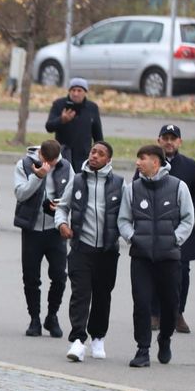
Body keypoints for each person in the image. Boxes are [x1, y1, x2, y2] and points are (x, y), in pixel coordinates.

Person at [118, 144, 195, 368]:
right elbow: (123, 220)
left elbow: (188, 218)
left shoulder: (178, 187)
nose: (137, 163)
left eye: (142, 158)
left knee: (170, 305)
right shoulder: (132, 189)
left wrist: (174, 239)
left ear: (156, 161)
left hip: (169, 258)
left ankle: (165, 339)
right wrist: (133, 237)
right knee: (141, 304)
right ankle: (143, 349)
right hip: (141, 258)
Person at [55, 141, 122, 362]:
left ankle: (98, 338)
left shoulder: (119, 184)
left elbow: (126, 215)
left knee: (102, 295)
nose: (95, 156)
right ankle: (77, 340)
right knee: (80, 294)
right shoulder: (77, 180)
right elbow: (63, 207)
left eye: (101, 154)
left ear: (108, 160)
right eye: (93, 151)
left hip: (107, 250)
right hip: (80, 247)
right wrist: (62, 224)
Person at [13, 139, 72, 338]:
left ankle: (52, 315)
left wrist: (61, 206)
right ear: (40, 156)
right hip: (32, 229)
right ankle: (34, 318)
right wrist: (37, 178)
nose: (51, 165)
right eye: (48, 161)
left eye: (54, 162)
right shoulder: (24, 165)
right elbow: (20, 195)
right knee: (31, 277)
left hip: (55, 230)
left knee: (59, 276)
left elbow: (72, 195)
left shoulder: (66, 167)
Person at [148, 124, 195, 334]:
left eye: (173, 138)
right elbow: (137, 190)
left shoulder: (189, 165)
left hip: (182, 229)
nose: (169, 142)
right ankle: (155, 313)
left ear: (179, 141)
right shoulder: (150, 162)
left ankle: (178, 312)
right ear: (159, 140)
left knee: (182, 273)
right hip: (155, 229)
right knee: (155, 271)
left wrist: (189, 215)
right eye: (165, 137)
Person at [45, 78, 103, 172]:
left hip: (83, 156)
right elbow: (49, 127)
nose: (76, 93)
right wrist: (61, 120)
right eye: (73, 90)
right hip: (62, 155)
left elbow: (98, 135)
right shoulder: (59, 104)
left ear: (85, 92)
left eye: (79, 90)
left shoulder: (92, 108)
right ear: (69, 91)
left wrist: (100, 155)